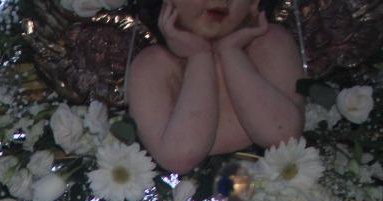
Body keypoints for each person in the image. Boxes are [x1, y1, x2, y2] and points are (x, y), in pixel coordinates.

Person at [127, 0, 303, 174]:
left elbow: (282, 136)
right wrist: (199, 56)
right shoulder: (153, 65)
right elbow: (180, 155)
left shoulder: (269, 42)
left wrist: (231, 52)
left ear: (253, 3)